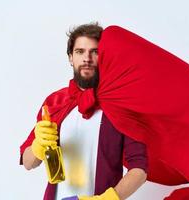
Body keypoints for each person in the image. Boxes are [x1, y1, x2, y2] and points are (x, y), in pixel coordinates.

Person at [20, 23, 148, 200]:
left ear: (103, 57)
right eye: (80, 52)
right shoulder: (54, 102)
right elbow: (28, 163)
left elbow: (139, 170)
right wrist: (38, 146)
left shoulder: (122, 105)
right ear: (71, 57)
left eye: (94, 52)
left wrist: (107, 199)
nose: (86, 58)